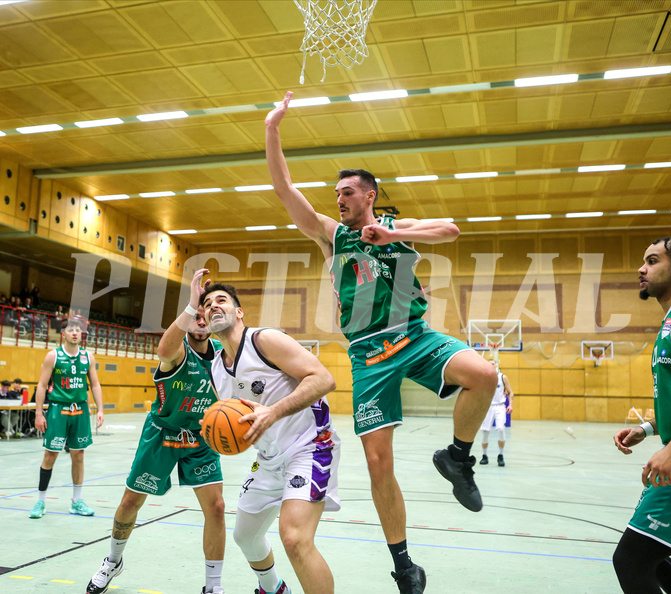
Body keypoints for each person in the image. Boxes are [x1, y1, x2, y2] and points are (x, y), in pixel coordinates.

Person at [266, 91, 497, 594]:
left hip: (414, 336)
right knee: (378, 462)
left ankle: (456, 457)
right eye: (337, 194)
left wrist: (390, 237)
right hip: (368, 355)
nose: (339, 200)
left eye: (347, 192)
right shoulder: (332, 237)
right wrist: (273, 127)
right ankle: (404, 565)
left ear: (369, 194)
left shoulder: (398, 229)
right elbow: (284, 189)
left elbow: (451, 229)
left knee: (485, 375)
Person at [86, 269, 227, 594]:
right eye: (196, 311)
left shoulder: (223, 359)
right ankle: (113, 560)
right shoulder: (178, 352)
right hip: (163, 434)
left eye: (206, 310)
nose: (201, 316)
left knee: (217, 508)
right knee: (129, 504)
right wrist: (192, 305)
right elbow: (164, 351)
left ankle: (213, 586)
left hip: (201, 440)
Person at [202, 280, 340, 594]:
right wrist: (216, 432)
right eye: (207, 304)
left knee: (294, 538)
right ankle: (273, 587)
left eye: (220, 300)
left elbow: (324, 379)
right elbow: (234, 421)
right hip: (267, 460)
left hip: (310, 446)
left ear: (238, 312)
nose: (212, 306)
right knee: (245, 536)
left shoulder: (264, 340)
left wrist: (272, 412)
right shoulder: (215, 369)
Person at [612, 237, 671, 594]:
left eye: (651, 261)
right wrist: (647, 429)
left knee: (632, 558)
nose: (641, 269)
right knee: (650, 556)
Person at [30, 318, 104, 519]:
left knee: (78, 455)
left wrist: (100, 409)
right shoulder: (53, 356)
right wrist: (38, 413)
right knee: (50, 455)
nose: (75, 333)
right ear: (63, 333)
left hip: (80, 410)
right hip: (58, 410)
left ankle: (76, 501)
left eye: (78, 330)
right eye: (71, 330)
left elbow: (95, 384)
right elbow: (42, 386)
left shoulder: (88, 357)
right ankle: (40, 501)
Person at [479, 361, 514, 467]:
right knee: (485, 432)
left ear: (497, 365)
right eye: (489, 364)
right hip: (488, 407)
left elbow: (510, 392)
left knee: (501, 429)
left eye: (493, 363)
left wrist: (510, 405)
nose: (492, 365)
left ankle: (500, 455)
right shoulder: (483, 378)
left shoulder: (503, 377)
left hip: (500, 406)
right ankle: (484, 456)